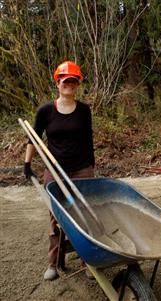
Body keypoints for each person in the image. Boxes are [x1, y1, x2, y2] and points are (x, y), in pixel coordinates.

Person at [24, 61, 95, 280]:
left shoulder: (84, 110)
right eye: (66, 81)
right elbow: (33, 138)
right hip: (54, 171)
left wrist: (91, 165)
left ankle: (88, 262)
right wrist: (27, 164)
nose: (69, 85)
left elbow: (88, 139)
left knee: (83, 214)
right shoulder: (46, 110)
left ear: (77, 84)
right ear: (58, 83)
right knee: (56, 217)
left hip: (82, 169)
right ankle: (53, 263)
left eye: (73, 81)